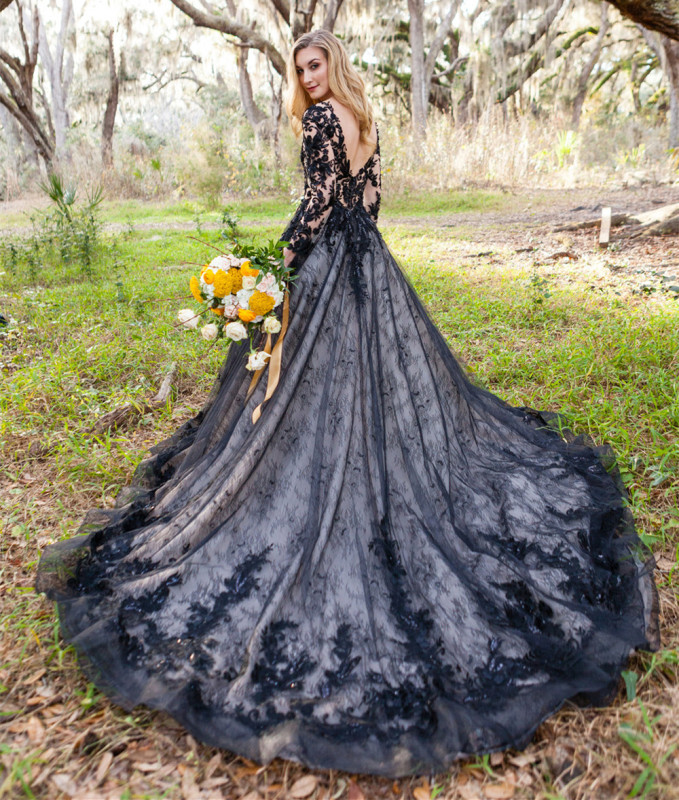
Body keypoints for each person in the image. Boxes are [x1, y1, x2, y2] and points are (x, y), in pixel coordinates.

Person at [36, 30, 659, 778]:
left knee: (307, 390)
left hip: (332, 262)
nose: (309, 77)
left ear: (332, 65)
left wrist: (270, 269)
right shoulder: (363, 117)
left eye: (316, 64)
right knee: (371, 391)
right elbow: (369, 199)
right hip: (372, 263)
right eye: (300, 69)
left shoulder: (323, 119)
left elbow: (318, 202)